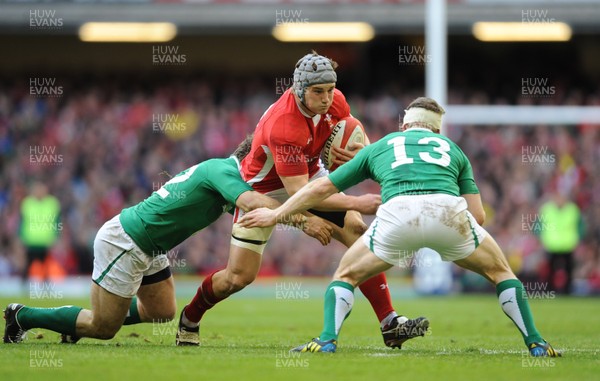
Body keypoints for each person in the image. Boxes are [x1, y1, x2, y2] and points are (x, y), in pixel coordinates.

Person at [239, 96, 561, 357]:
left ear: (404, 124)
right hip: (449, 214)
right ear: (436, 129)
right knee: (502, 273)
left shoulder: (383, 146)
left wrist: (277, 213)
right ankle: (535, 342)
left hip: (398, 215)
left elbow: (320, 189)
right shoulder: (454, 150)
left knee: (346, 276)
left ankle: (326, 340)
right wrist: (453, 245)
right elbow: (477, 217)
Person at [176, 51, 427, 349]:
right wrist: (342, 207)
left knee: (357, 231)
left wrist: (363, 153)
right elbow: (298, 196)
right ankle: (190, 317)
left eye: (330, 90)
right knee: (238, 277)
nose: (326, 98)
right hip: (263, 190)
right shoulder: (285, 126)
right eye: (317, 92)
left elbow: (351, 133)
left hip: (307, 175)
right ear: (299, 89)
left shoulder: (335, 100)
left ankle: (389, 323)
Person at [3, 151, 335, 344]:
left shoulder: (222, 172)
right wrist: (303, 220)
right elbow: (250, 202)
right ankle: (22, 316)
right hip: (128, 239)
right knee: (104, 328)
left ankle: (73, 325)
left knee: (161, 311)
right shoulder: (223, 169)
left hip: (150, 245)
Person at [538, 191, 583, 294]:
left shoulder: (573, 210)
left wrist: (578, 239)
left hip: (568, 245)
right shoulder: (547, 209)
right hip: (551, 245)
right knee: (550, 271)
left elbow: (580, 226)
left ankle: (567, 292)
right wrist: (540, 239)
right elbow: (538, 225)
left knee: (569, 270)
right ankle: (549, 291)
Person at [19, 181, 61, 282]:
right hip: (31, 241)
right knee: (27, 266)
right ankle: (23, 288)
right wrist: (21, 237)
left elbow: (57, 222)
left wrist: (56, 236)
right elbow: (22, 222)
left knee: (46, 267)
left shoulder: (52, 203)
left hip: (46, 242)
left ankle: (46, 289)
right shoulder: (27, 203)